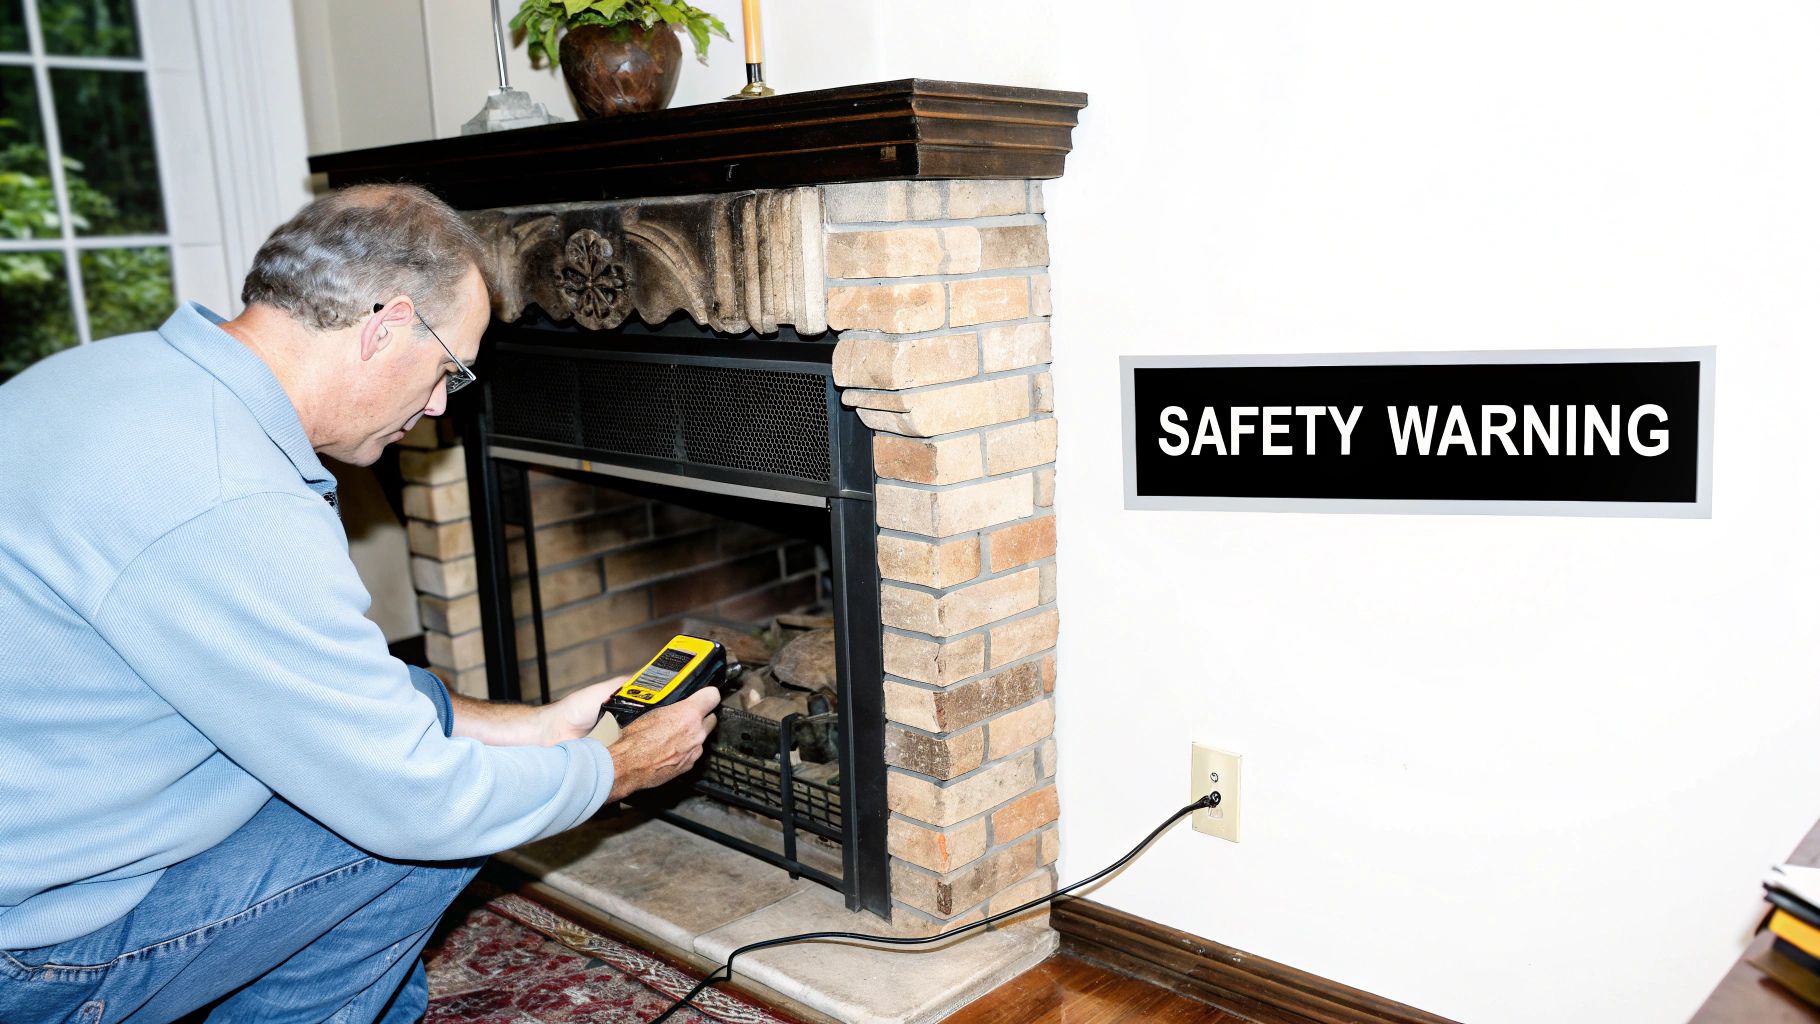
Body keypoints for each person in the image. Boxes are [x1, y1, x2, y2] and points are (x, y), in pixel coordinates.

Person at [0, 184, 721, 1023]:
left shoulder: (109, 375)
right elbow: (420, 806)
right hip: (36, 951)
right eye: (450, 369)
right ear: (386, 329)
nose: (441, 405)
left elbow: (346, 694)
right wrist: (615, 768)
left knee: (410, 711)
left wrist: (540, 726)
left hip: (47, 815)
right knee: (426, 835)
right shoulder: (234, 502)